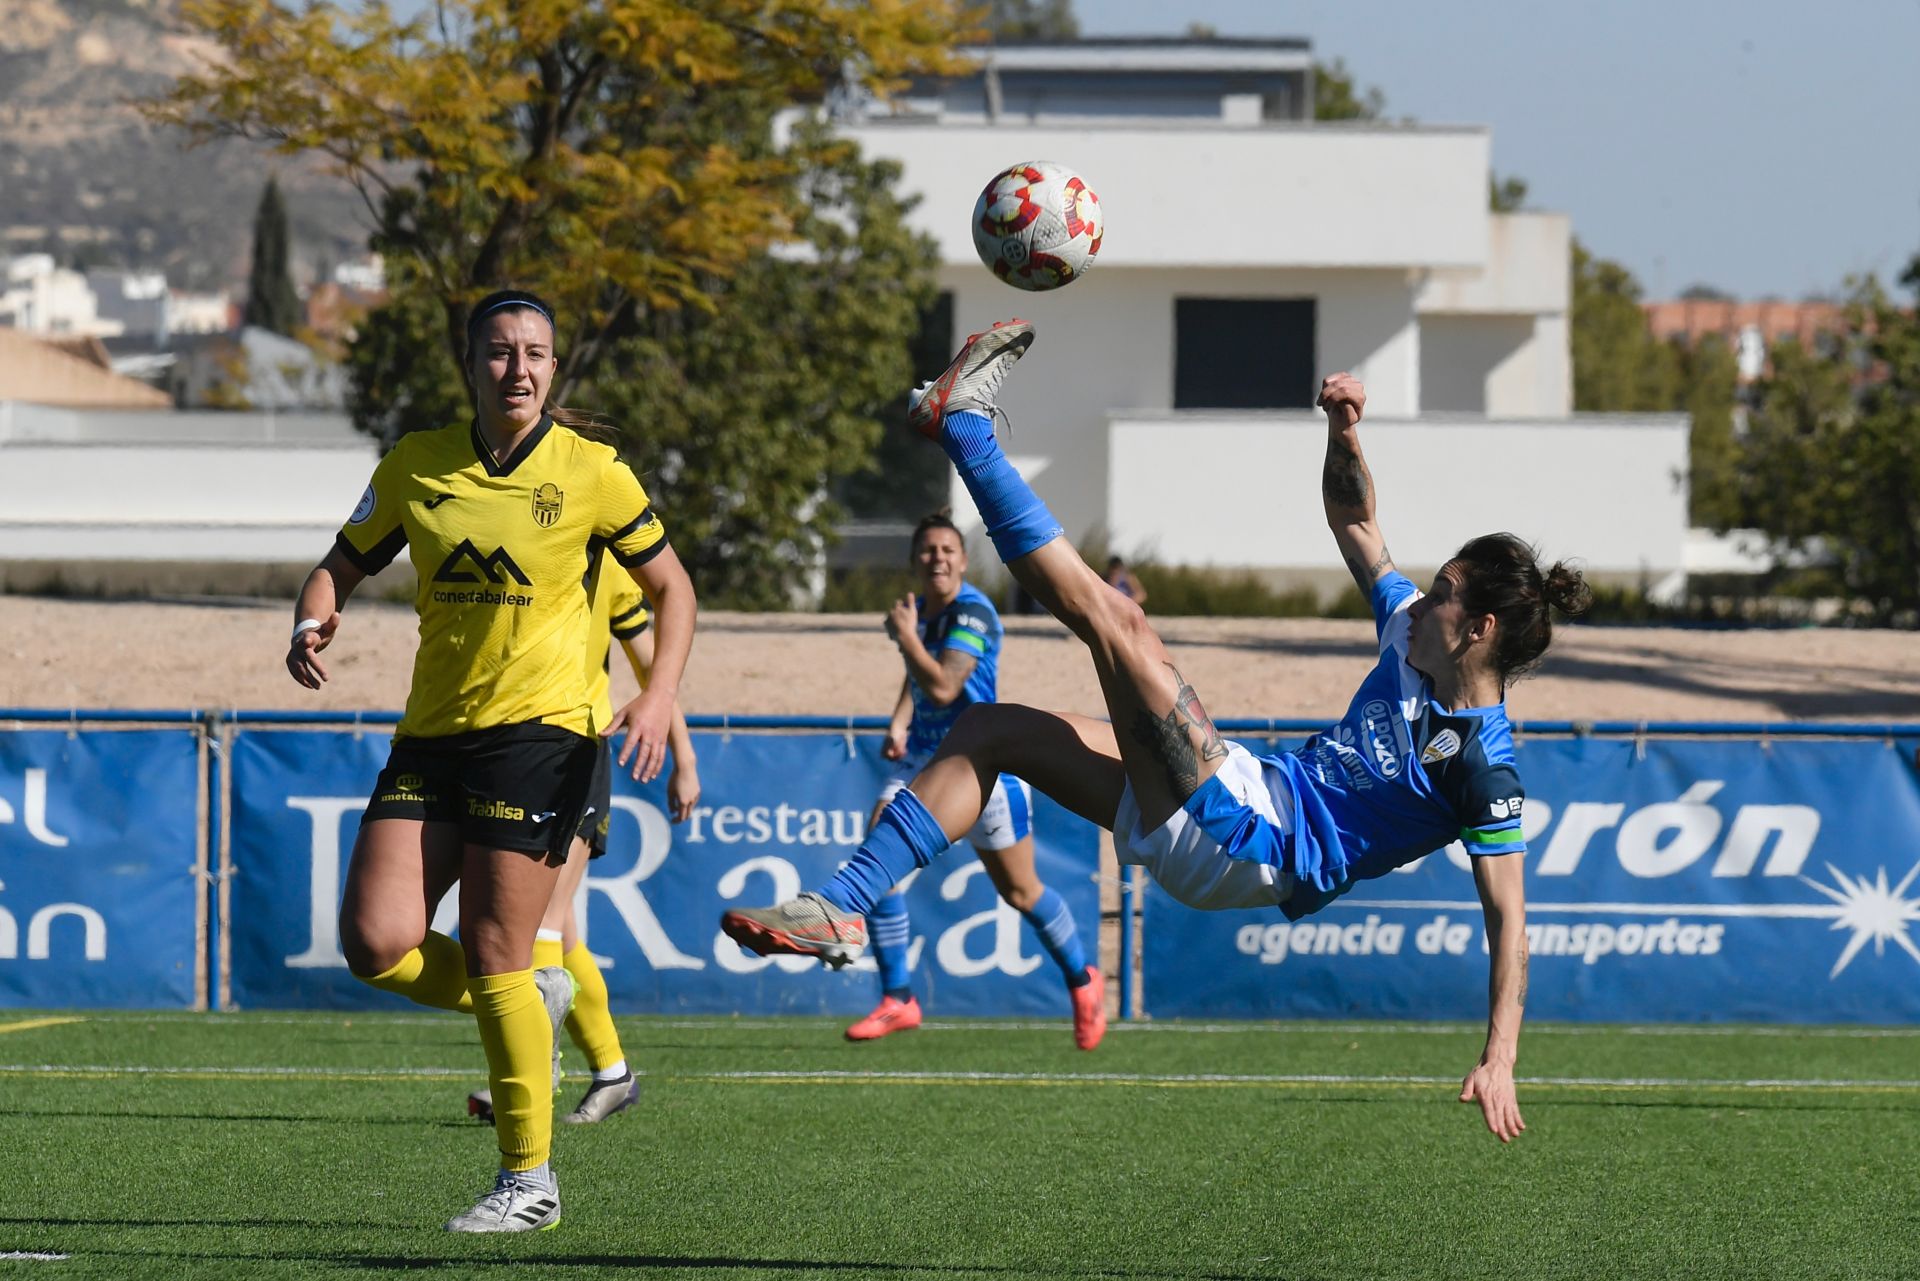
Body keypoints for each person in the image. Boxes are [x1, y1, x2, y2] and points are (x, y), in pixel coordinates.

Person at [723, 319, 1589, 1144]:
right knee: (987, 731)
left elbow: (1509, 918)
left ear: (1477, 628)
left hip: (1262, 843)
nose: (1422, 592)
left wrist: (1500, 1056)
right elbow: (1357, 525)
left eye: (1443, 590)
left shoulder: (1485, 763)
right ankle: (840, 905)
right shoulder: (1410, 630)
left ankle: (965, 429)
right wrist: (1343, 428)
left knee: (1120, 625)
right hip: (1248, 795)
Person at [288, 288, 695, 1231]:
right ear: (470, 364)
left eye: (536, 354)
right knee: (375, 941)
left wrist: (662, 694)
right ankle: (530, 1004)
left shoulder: (594, 474)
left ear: (555, 370)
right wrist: (312, 617)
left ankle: (529, 1179)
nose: (519, 368)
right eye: (501, 352)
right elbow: (337, 564)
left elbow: (671, 588)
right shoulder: (416, 466)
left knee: (497, 947)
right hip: (430, 736)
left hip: (543, 737)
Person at [843, 512, 1103, 1048]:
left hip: (981, 766)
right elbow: (919, 682)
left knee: (1021, 892)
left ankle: (1083, 980)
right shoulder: (925, 616)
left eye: (946, 549)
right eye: (927, 550)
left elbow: (942, 686)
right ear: (914, 560)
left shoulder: (973, 612)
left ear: (962, 560)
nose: (937, 557)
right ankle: (899, 998)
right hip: (923, 760)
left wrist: (906, 640)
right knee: (879, 857)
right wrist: (899, 719)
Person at [466, 548, 700, 1125]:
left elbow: (653, 670)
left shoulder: (612, 568)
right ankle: (612, 1072)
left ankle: (536, 1078)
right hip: (515, 752)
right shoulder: (522, 545)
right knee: (562, 935)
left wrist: (685, 758)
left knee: (543, 921)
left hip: (576, 750)